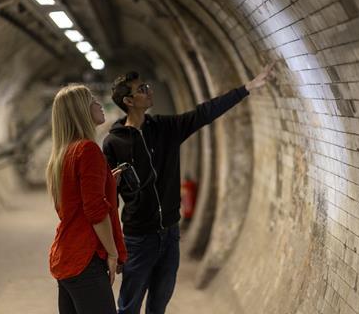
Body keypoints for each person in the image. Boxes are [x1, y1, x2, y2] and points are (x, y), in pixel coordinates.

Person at [103, 64, 275, 314]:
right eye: (142, 89)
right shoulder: (114, 143)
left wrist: (246, 88)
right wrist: (114, 248)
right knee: (129, 306)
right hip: (138, 238)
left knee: (158, 305)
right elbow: (108, 200)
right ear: (129, 100)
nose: (149, 91)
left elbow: (204, 113)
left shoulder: (165, 128)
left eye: (147, 86)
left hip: (170, 235)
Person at [46, 84, 128, 314]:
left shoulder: (63, 153)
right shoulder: (88, 150)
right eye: (92, 100)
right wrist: (112, 253)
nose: (99, 104)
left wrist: (107, 182)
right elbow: (95, 211)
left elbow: (72, 201)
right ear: (80, 111)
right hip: (86, 257)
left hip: (67, 256)